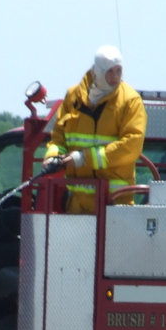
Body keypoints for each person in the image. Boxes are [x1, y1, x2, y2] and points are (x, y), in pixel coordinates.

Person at [41, 45, 147, 214]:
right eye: (109, 72)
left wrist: (84, 158)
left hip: (115, 207)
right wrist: (53, 157)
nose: (114, 78)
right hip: (76, 204)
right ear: (96, 71)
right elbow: (58, 138)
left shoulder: (130, 101)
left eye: (118, 71)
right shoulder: (73, 97)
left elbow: (131, 146)